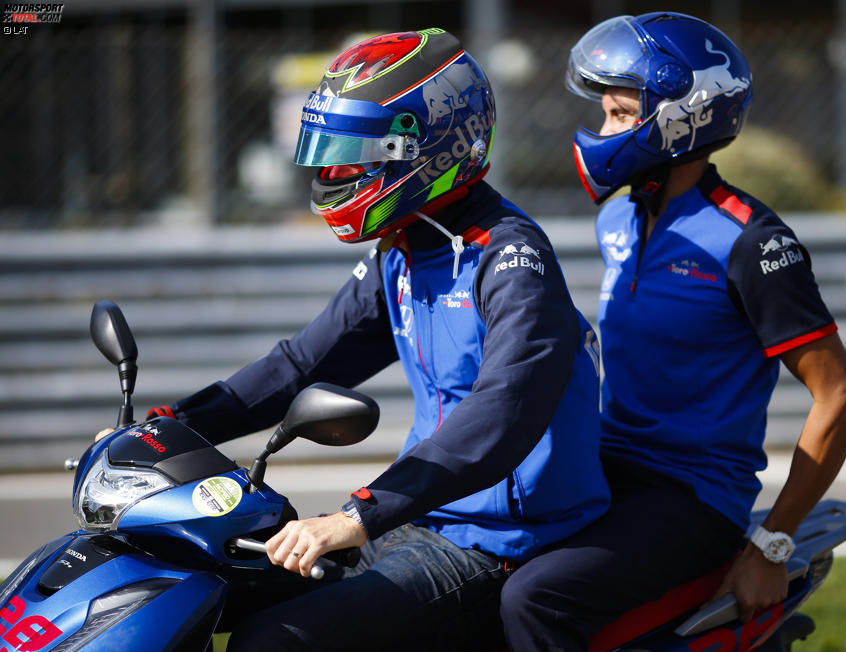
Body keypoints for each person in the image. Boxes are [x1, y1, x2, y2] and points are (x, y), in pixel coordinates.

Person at [141, 28, 610, 651]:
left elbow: (505, 411)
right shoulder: (405, 249)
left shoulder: (510, 259)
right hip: (416, 519)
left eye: (354, 155)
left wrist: (358, 515)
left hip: (498, 542)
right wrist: (167, 427)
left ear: (430, 148)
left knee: (272, 642)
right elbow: (302, 365)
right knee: (183, 588)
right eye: (329, 153)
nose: (334, 172)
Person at [499, 12, 846, 650]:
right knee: (475, 555)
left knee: (536, 599)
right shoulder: (617, 222)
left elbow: (841, 398)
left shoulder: (751, 242)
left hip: (693, 498)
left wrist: (771, 544)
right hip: (606, 465)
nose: (601, 129)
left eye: (618, 114)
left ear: (679, 117)